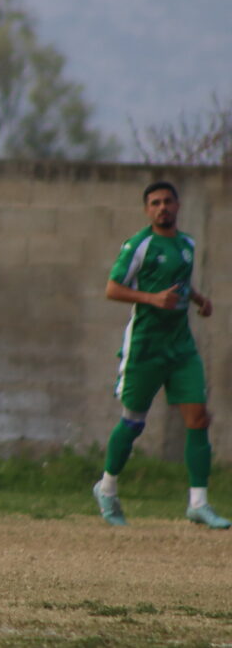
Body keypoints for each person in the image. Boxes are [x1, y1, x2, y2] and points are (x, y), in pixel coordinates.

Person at [92, 181, 228, 529]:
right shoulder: (139, 245)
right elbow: (112, 288)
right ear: (147, 210)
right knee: (133, 422)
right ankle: (107, 488)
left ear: (177, 205)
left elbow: (179, 282)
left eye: (167, 201)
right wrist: (152, 299)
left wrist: (199, 299)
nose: (162, 207)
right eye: (155, 203)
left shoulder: (187, 245)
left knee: (198, 417)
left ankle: (198, 503)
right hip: (145, 347)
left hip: (181, 347)